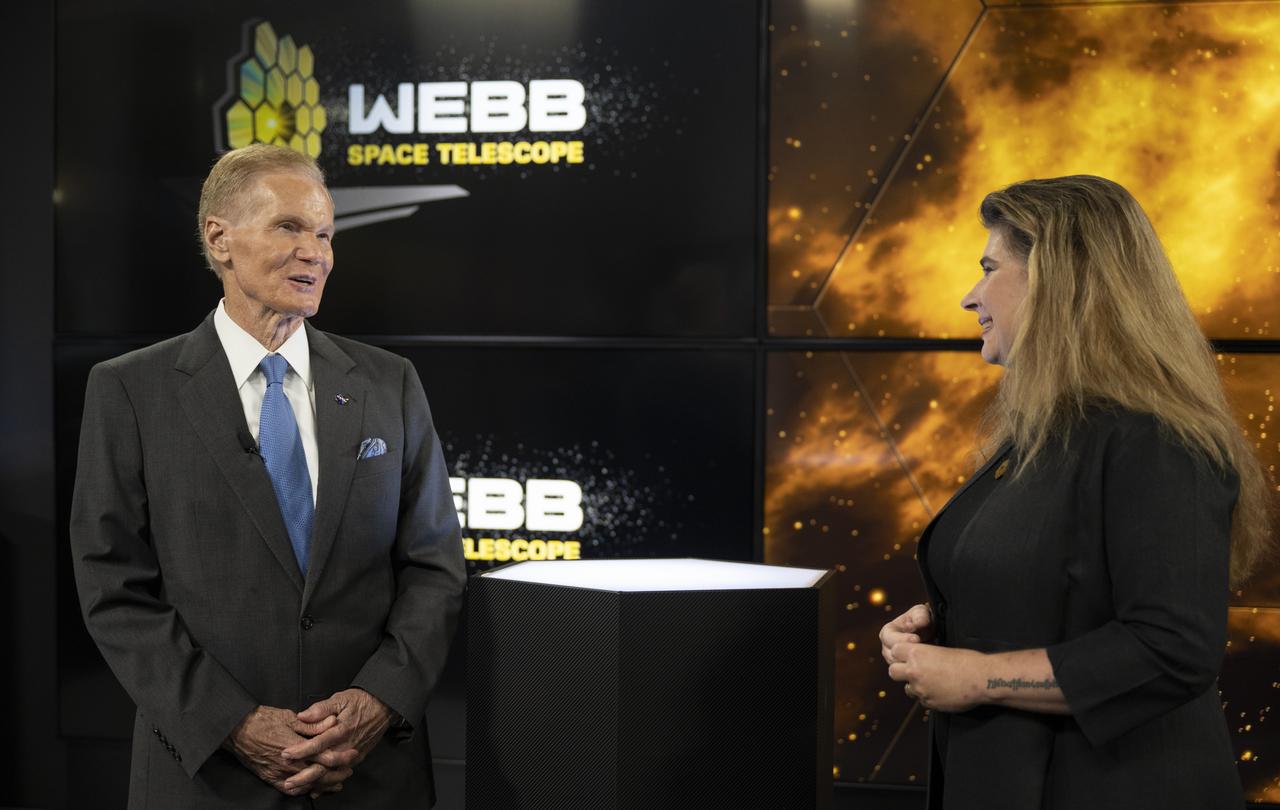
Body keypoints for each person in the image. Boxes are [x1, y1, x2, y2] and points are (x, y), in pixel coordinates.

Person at [70, 143, 467, 808]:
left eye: (325, 234)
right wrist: (235, 725)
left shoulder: (387, 384)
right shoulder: (130, 391)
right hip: (206, 777)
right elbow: (113, 586)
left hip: (370, 774)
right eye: (289, 227)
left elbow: (435, 566)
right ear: (220, 239)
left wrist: (377, 701)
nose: (315, 252)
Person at [878, 175, 1271, 809]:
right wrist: (937, 635)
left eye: (988, 269)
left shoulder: (1157, 441)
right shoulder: (1048, 433)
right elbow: (1047, 594)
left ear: (1058, 282)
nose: (970, 296)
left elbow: (1172, 649)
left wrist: (977, 676)